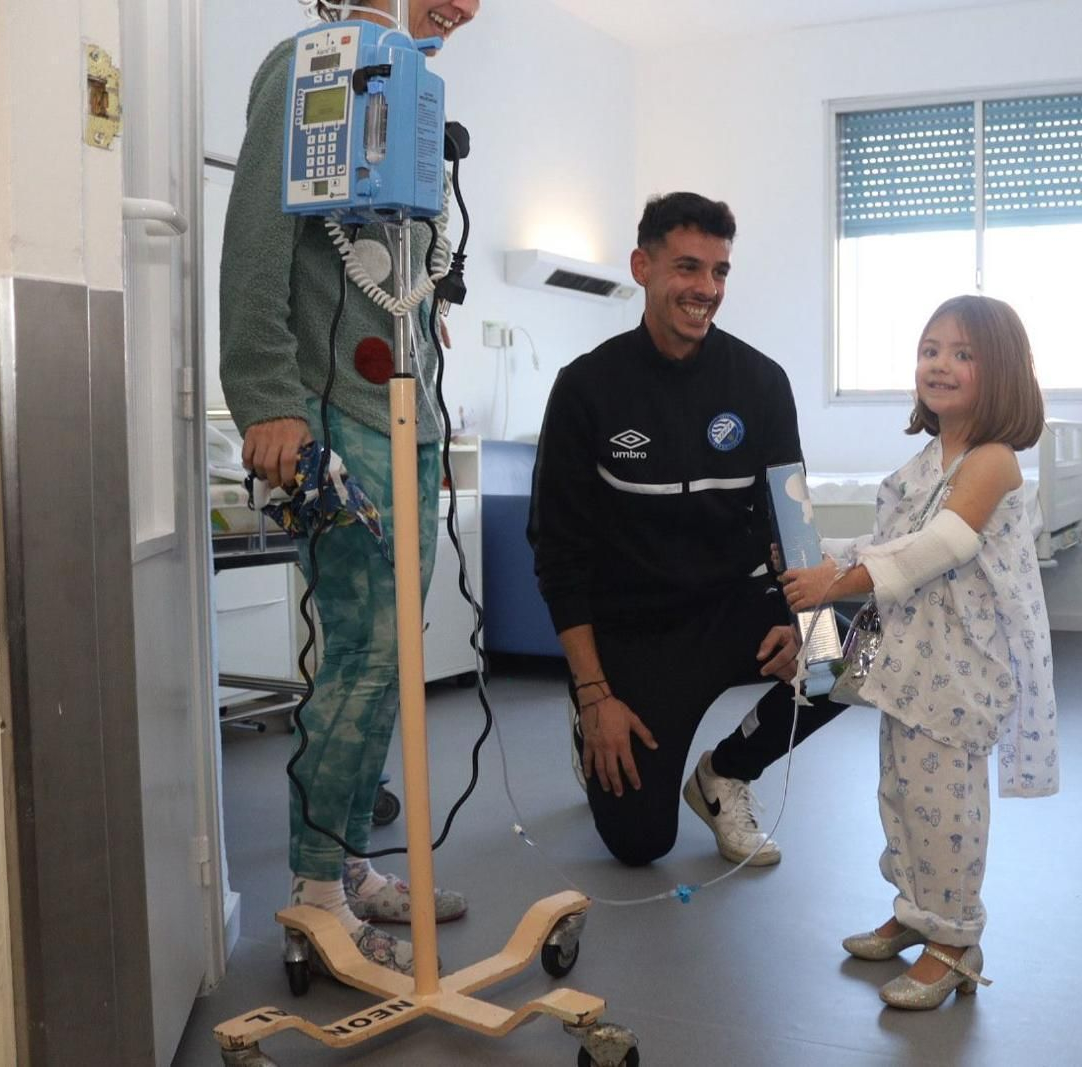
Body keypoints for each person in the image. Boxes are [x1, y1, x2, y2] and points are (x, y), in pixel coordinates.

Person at [219, 0, 481, 975]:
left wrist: (417, 319)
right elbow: (253, 240)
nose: (468, 5)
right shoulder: (308, 63)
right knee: (365, 657)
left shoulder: (402, 86)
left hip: (401, 411)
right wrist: (265, 398)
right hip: (327, 416)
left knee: (387, 655)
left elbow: (375, 258)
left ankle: (351, 861)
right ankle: (318, 895)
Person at [529, 192, 848, 868]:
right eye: (688, 268)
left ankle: (726, 773)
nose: (706, 289)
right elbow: (558, 554)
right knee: (641, 844)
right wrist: (595, 693)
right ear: (642, 266)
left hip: (733, 606)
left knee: (844, 654)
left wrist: (803, 623)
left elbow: (790, 522)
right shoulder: (586, 388)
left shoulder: (761, 383)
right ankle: (588, 717)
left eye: (720, 272)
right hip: (634, 632)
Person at [779, 295, 1059, 1009]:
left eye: (963, 353)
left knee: (949, 805)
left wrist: (836, 579)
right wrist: (832, 573)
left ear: (1000, 375)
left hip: (960, 671)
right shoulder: (927, 458)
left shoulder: (993, 460)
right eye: (930, 348)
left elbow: (943, 545)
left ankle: (956, 938)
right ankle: (915, 911)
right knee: (902, 796)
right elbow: (890, 541)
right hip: (912, 665)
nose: (940, 363)